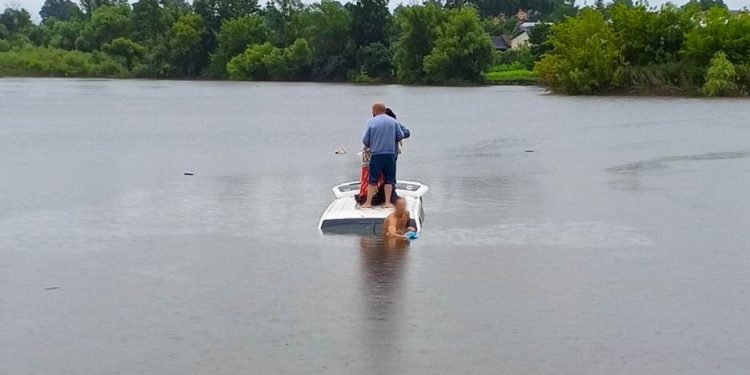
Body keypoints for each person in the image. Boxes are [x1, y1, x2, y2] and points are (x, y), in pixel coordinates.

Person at [361, 102, 403, 208]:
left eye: (372, 111)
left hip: (376, 154)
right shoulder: (393, 121)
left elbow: (365, 139)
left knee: (373, 179)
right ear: (384, 110)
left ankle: (368, 203)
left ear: (375, 111)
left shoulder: (371, 122)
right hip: (390, 154)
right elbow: (400, 135)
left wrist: (370, 143)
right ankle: (388, 202)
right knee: (389, 179)